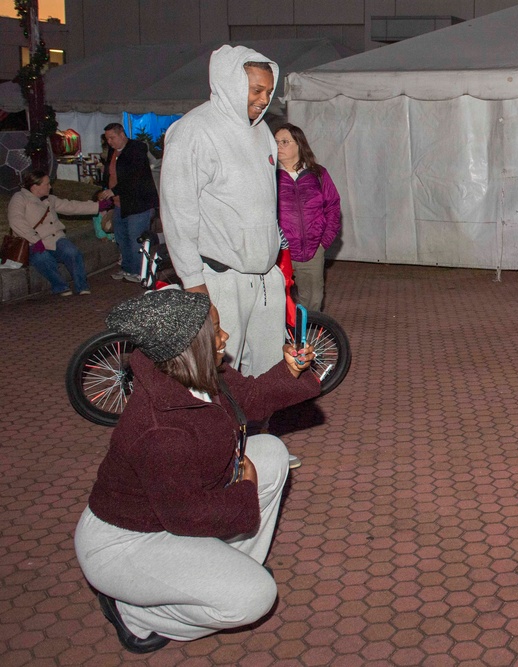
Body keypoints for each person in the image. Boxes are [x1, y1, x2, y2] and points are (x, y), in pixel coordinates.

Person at [74, 288, 320, 653]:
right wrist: (244, 489)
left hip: (168, 517)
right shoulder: (160, 430)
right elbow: (185, 515)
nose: (225, 338)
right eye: (216, 331)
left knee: (270, 453)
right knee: (255, 599)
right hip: (126, 542)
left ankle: (232, 566)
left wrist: (290, 370)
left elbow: (250, 399)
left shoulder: (194, 372)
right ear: (188, 345)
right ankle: (134, 614)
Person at [160, 45, 284, 380]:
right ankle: (225, 435)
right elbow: (177, 213)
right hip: (219, 280)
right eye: (256, 90)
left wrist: (275, 260)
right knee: (220, 376)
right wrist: (195, 286)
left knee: (270, 376)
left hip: (264, 279)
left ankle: (260, 434)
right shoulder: (192, 132)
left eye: (269, 91)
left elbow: (265, 205)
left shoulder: (262, 132)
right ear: (229, 82)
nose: (263, 99)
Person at [7, 170, 110, 296]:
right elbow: (16, 221)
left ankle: (82, 285)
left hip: (54, 238)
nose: (50, 187)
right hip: (30, 242)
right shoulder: (19, 198)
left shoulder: (50, 199)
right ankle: (60, 286)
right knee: (42, 259)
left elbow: (71, 207)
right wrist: (35, 239)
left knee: (72, 252)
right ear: (35, 187)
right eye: (47, 184)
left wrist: (97, 206)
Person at [275, 123, 342, 311]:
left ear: (299, 145)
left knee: (312, 301)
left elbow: (333, 207)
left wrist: (323, 243)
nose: (279, 146)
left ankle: (305, 339)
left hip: (312, 251)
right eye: (276, 142)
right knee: (278, 303)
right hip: (280, 253)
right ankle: (281, 339)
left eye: (285, 142)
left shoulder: (318, 175)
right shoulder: (269, 176)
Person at [99, 123, 159, 282]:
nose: (110, 142)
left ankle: (140, 271)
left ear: (122, 134)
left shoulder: (137, 148)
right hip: (120, 203)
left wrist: (114, 190)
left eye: (112, 138)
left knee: (135, 238)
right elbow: (110, 173)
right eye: (107, 139)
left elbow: (134, 176)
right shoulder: (113, 151)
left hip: (138, 203)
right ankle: (128, 268)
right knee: (121, 237)